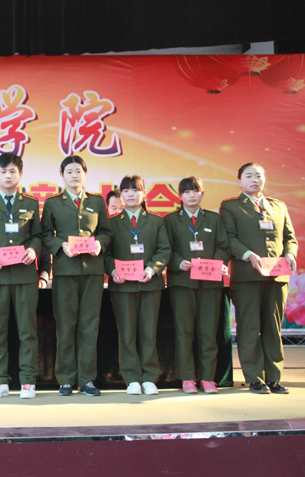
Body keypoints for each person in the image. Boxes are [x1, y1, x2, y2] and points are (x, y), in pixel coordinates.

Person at [220, 163, 298, 394]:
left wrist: (290, 254)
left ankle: (274, 377)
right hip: (247, 276)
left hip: (277, 276)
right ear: (239, 181)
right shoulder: (231, 206)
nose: (255, 179)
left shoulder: (278, 206)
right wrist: (248, 254)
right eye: (249, 176)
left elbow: (290, 237)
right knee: (249, 327)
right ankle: (254, 377)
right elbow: (228, 238)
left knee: (273, 328)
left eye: (259, 175)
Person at [41, 156, 113, 396]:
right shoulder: (53, 203)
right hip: (65, 271)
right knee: (65, 325)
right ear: (62, 175)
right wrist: (61, 245)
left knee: (89, 326)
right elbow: (45, 235)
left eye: (78, 171)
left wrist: (100, 244)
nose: (74, 175)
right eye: (69, 171)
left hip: (92, 271)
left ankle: (87, 379)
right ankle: (65, 379)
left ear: (85, 174)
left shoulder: (96, 201)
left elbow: (106, 232)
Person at [0, 152, 42, 399]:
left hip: (25, 275)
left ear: (20, 174)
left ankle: (28, 381)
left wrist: (33, 250)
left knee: (28, 331)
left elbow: (38, 235)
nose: (8, 175)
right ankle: (0, 381)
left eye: (13, 171)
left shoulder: (31, 203)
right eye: (3, 171)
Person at [104, 175, 170, 395]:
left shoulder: (156, 221)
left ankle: (150, 377)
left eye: (135, 190)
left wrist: (152, 269)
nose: (131, 194)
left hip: (150, 285)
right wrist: (113, 270)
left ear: (144, 194)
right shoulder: (112, 223)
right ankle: (131, 377)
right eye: (126, 191)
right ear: (121, 194)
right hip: (122, 287)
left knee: (148, 332)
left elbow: (164, 250)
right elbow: (106, 254)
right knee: (127, 333)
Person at [164, 177, 230, 394]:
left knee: (208, 331)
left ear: (202, 194)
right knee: (184, 331)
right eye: (186, 192)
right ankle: (187, 378)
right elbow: (165, 248)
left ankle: (208, 378)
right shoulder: (170, 220)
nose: (191, 195)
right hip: (182, 283)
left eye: (195, 191)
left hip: (210, 283)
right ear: (179, 196)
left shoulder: (214, 219)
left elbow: (224, 246)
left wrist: (218, 263)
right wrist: (177, 262)